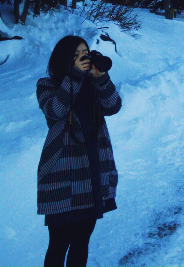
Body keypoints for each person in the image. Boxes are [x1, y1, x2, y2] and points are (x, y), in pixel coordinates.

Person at [36, 35, 121, 267]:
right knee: (58, 243)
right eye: (76, 55)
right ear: (63, 59)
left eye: (85, 53)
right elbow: (55, 111)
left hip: (91, 172)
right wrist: (74, 76)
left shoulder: (93, 84)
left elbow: (113, 106)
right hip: (61, 175)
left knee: (82, 241)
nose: (82, 58)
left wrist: (101, 78)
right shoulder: (47, 85)